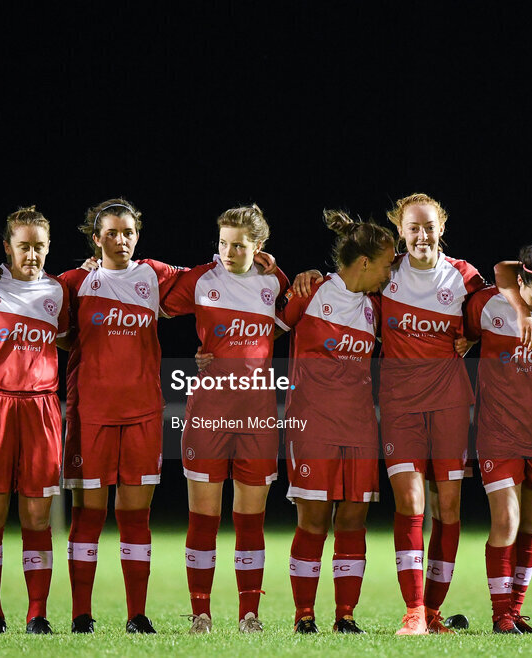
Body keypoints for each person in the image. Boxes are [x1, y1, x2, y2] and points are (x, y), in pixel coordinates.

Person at [159, 204, 289, 634]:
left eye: (239, 245)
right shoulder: (201, 279)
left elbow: (299, 312)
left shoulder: (274, 281)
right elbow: (152, 300)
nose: (228, 252)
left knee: (250, 519)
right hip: (208, 412)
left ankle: (249, 615)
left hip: (257, 416)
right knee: (204, 518)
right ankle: (201, 614)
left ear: (258, 247)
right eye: (223, 243)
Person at [59, 198, 186, 634]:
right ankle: (81, 616)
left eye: (128, 231)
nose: (121, 239)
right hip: (90, 413)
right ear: (95, 239)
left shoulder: (154, 275)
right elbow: (47, 327)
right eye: (111, 232)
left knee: (135, 517)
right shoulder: (73, 282)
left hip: (142, 413)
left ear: (138, 235)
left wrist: (264, 263)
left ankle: (137, 615)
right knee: (88, 516)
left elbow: (216, 282)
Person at [274, 210, 394, 634]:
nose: (390, 271)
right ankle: (304, 616)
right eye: (387, 262)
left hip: (360, 426)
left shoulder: (376, 309)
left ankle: (346, 616)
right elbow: (259, 329)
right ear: (364, 261)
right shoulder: (310, 292)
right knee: (313, 521)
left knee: (353, 520)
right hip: (313, 424)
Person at [0, 207, 69, 635]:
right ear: (7, 247)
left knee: (37, 516)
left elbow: (67, 338)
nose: (32, 254)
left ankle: (36, 614)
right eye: (23, 245)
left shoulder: (57, 292)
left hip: (41, 407)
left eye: (39, 245)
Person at [379, 193, 485, 635]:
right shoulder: (383, 273)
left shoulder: (464, 276)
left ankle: (435, 610)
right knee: (411, 502)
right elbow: (338, 280)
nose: (421, 235)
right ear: (400, 231)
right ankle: (414, 611)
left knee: (449, 506)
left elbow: (495, 308)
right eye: (413, 227)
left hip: (449, 405)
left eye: (429, 226)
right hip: (401, 407)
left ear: (442, 226)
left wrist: (474, 337)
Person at [465, 241, 532, 634]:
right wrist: (467, 341)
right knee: (506, 522)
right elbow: (463, 330)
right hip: (498, 432)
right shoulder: (487, 305)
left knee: (529, 526)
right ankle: (500, 616)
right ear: (521, 281)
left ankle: (515, 609)